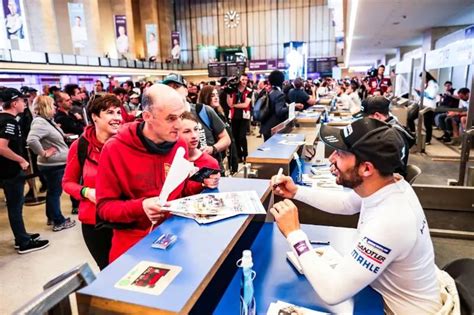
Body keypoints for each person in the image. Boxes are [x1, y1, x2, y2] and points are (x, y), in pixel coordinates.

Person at [270, 117, 443, 314]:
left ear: (367, 168)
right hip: (380, 296)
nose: (331, 158)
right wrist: (296, 192)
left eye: (341, 153)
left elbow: (332, 291)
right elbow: (345, 204)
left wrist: (294, 233)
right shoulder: (389, 184)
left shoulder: (391, 220)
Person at [95, 84, 217, 262]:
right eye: (170, 118)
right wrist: (141, 207)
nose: (178, 125)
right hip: (133, 250)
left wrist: (202, 183)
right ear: (147, 117)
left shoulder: (179, 144)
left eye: (181, 116)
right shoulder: (115, 149)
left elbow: (178, 192)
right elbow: (105, 208)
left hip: (174, 238)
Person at [62, 95, 121, 270]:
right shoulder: (80, 146)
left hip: (126, 218)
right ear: (94, 116)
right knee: (108, 270)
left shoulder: (126, 143)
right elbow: (67, 183)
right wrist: (87, 192)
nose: (117, 117)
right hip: (95, 223)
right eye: (110, 112)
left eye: (118, 112)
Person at [0, 88, 49, 254]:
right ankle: (23, 242)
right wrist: (21, 160)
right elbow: (1, 147)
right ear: (14, 103)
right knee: (15, 207)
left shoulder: (5, 119)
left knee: (16, 206)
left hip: (7, 171)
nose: (24, 104)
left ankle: (21, 235)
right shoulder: (9, 122)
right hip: (11, 172)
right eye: (22, 101)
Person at [26, 96, 76, 231]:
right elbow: (31, 140)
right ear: (46, 107)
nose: (55, 107)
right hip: (53, 164)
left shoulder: (46, 121)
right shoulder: (40, 123)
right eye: (53, 105)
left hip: (54, 164)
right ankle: (58, 221)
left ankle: (52, 217)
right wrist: (44, 153)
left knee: (52, 192)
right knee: (55, 192)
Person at [358, 96, 415, 178]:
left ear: (377, 116)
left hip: (390, 181)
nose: (365, 122)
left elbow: (379, 168)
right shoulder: (387, 127)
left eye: (366, 118)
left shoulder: (390, 136)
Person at [180, 111, 220, 192]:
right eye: (187, 131)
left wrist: (206, 184)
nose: (194, 136)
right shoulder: (169, 161)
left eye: (196, 129)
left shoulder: (211, 163)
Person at [407, 72, 439, 145]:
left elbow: (432, 96)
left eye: (422, 78)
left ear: (426, 77)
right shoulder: (426, 84)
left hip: (429, 106)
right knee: (410, 117)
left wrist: (422, 92)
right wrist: (419, 93)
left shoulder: (434, 84)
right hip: (421, 104)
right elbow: (424, 95)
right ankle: (413, 134)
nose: (422, 80)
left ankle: (428, 140)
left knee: (427, 124)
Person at [227, 74, 253, 162]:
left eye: (246, 80)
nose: (244, 82)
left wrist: (234, 105)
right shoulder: (232, 90)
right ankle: (239, 155)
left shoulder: (249, 91)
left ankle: (245, 154)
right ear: (239, 80)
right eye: (242, 80)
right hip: (234, 116)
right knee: (235, 137)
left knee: (242, 136)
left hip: (244, 116)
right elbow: (229, 103)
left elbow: (246, 104)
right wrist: (229, 92)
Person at [260, 70, 289, 141]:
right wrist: (290, 107)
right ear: (282, 80)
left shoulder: (269, 92)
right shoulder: (279, 94)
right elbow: (279, 111)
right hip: (274, 128)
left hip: (265, 126)